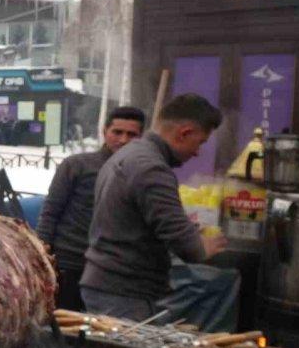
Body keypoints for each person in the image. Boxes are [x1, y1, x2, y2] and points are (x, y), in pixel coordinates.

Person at [81, 94, 228, 321]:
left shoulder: (128, 155)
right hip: (123, 293)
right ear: (184, 133)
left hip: (107, 285)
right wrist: (201, 246)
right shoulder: (152, 169)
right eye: (200, 142)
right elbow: (186, 244)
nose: (197, 152)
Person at [37, 106, 145, 311]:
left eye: (131, 134)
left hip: (112, 272)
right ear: (104, 132)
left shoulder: (141, 174)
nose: (123, 140)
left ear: (141, 138)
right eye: (117, 132)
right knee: (63, 329)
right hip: (70, 265)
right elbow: (50, 211)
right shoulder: (77, 165)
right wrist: (42, 254)